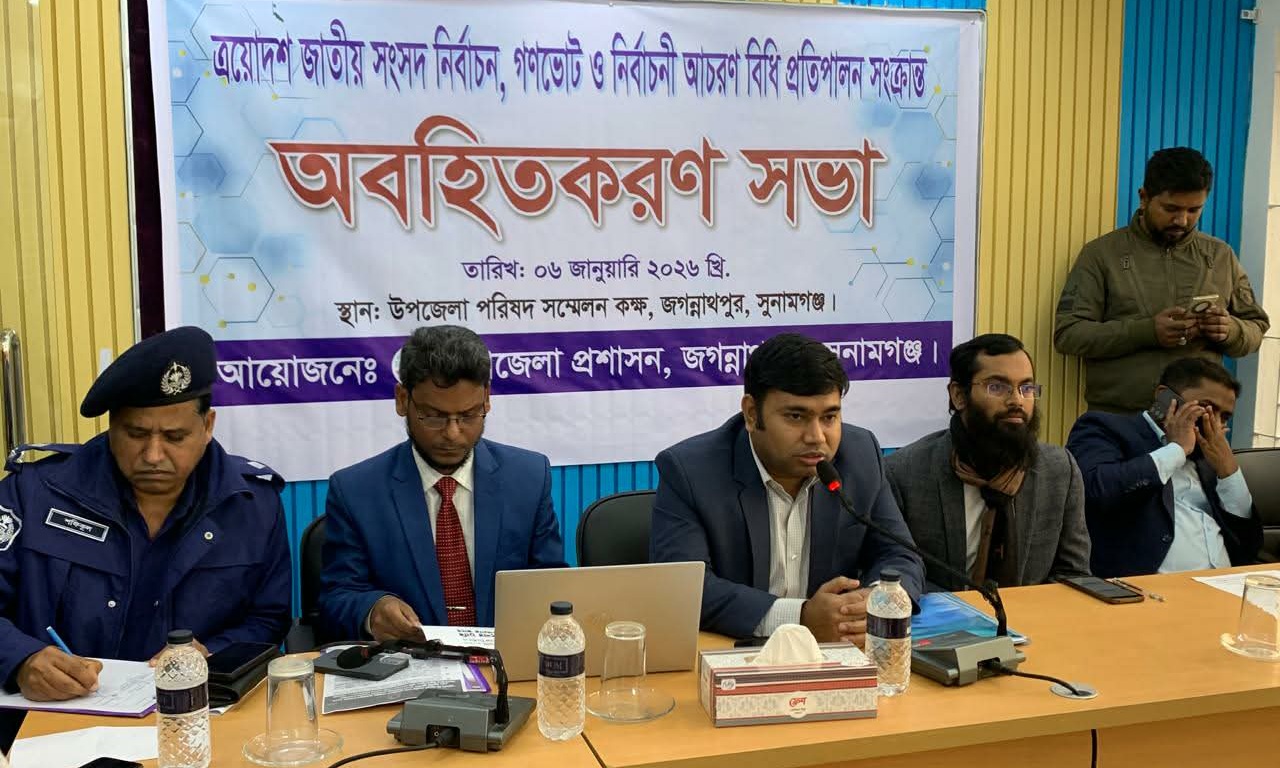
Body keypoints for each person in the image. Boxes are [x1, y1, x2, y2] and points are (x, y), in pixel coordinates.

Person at [0, 327, 291, 747]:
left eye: (175, 437)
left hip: (195, 725)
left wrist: (212, 652)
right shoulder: (34, 494)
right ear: (111, 426)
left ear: (207, 425)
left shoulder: (252, 505)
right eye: (136, 434)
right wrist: (20, 659)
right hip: (54, 727)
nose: (154, 455)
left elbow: (268, 620)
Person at [649, 333, 924, 644]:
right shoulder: (690, 471)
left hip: (837, 651)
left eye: (829, 417)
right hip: (738, 651)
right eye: (796, 416)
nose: (816, 437)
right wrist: (801, 617)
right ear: (752, 414)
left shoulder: (860, 456)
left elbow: (900, 555)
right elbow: (685, 589)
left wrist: (871, 603)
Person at [319, 326, 566, 641]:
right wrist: (372, 609)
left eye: (469, 415)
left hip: (505, 660)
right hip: (410, 663)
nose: (452, 433)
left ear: (487, 400)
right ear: (402, 400)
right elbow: (337, 596)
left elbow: (550, 584)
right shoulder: (356, 492)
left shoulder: (529, 478)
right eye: (434, 417)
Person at [1054, 147, 1269, 413]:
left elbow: (1256, 327)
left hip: (1198, 420)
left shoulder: (1220, 256)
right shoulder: (1101, 254)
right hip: (1120, 418)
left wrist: (1229, 330)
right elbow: (1069, 334)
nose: (1182, 220)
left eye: (1194, 210)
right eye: (1171, 208)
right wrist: (1147, 332)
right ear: (1144, 197)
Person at [885, 334, 1091, 591]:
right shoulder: (904, 474)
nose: (1017, 400)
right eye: (997, 387)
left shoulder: (1059, 470)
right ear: (959, 396)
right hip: (942, 615)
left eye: (1026, 388)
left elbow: (1073, 575)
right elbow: (893, 575)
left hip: (1032, 615)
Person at [1067, 357, 1263, 576]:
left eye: (1224, 417)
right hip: (1141, 588)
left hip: (1224, 585)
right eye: (1205, 408)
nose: (1214, 424)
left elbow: (1249, 545)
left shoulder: (1210, 458)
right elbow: (1096, 491)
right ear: (1164, 396)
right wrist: (1176, 450)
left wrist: (1229, 472)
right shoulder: (1105, 428)